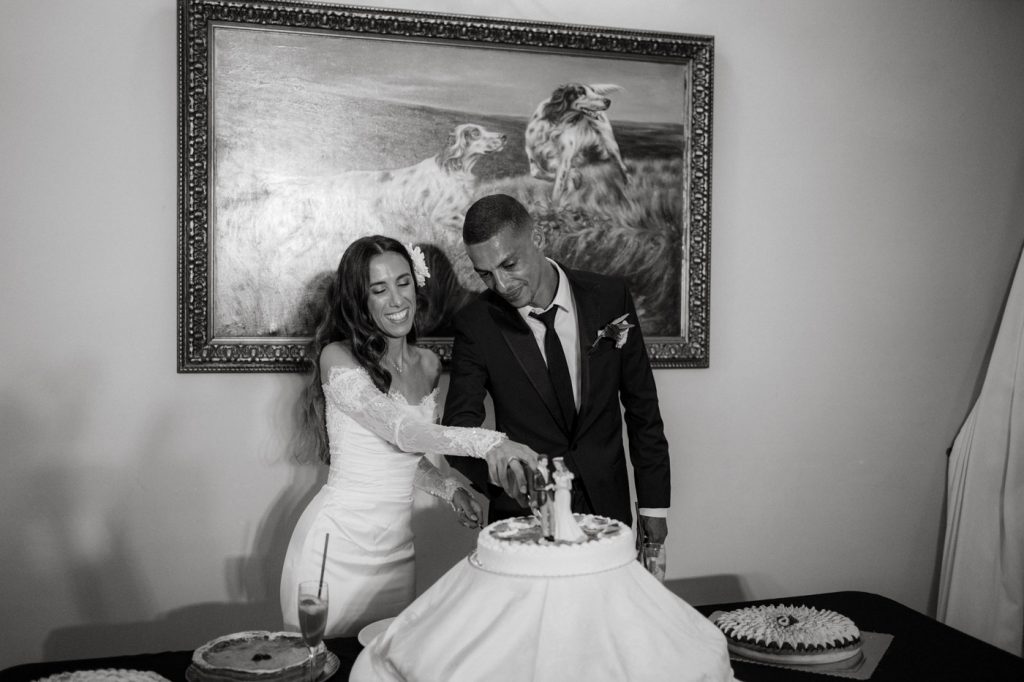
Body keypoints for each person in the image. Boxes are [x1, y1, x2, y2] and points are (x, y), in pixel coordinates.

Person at [280, 235, 541, 638]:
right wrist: (489, 442)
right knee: (322, 663)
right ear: (359, 300)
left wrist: (449, 489)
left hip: (396, 555)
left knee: (385, 661)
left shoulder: (429, 364)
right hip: (335, 548)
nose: (397, 299)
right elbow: (403, 433)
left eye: (403, 283)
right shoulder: (338, 357)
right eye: (379, 289)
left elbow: (403, 456)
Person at [442, 194, 671, 545]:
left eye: (509, 265)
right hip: (524, 517)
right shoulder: (477, 325)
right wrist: (505, 474)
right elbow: (458, 429)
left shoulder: (610, 297)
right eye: (485, 274)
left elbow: (643, 409)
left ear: (538, 238)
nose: (501, 285)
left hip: (608, 506)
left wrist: (654, 505)